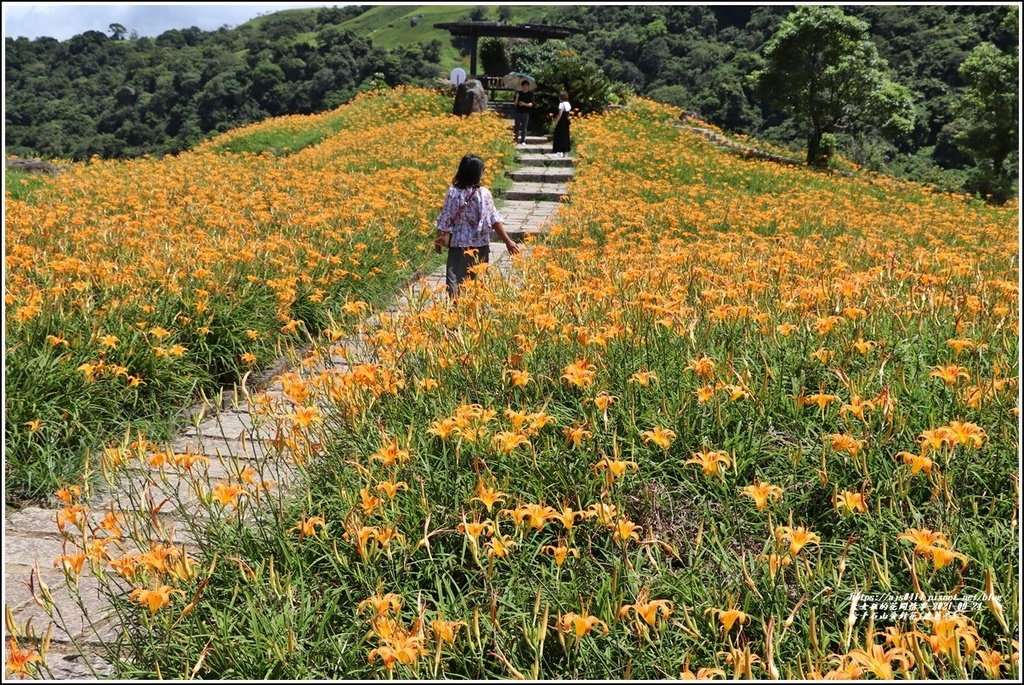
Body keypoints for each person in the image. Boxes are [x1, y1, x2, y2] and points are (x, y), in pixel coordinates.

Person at [435, 154, 522, 299]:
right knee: (477, 280)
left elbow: (445, 218)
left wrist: (438, 240)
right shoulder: (483, 194)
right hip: (479, 244)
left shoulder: (452, 192)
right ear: (477, 173)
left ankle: (455, 311)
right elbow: (493, 220)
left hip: (458, 244)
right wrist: (508, 242)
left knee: (454, 280)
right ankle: (473, 313)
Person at [512, 80, 533, 145]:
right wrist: (517, 97)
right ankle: (515, 140)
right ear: (521, 86)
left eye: (526, 86)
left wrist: (524, 104)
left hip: (526, 112)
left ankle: (523, 140)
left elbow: (531, 104)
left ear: (528, 86)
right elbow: (515, 103)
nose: (525, 87)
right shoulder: (518, 93)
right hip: (518, 112)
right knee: (517, 126)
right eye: (524, 86)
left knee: (524, 127)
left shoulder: (530, 94)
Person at [552, 91, 571, 157]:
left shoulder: (561, 104)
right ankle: (564, 151)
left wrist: (556, 122)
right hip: (566, 121)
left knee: (559, 135)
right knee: (565, 135)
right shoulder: (568, 103)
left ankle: (559, 151)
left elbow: (560, 114)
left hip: (561, 121)